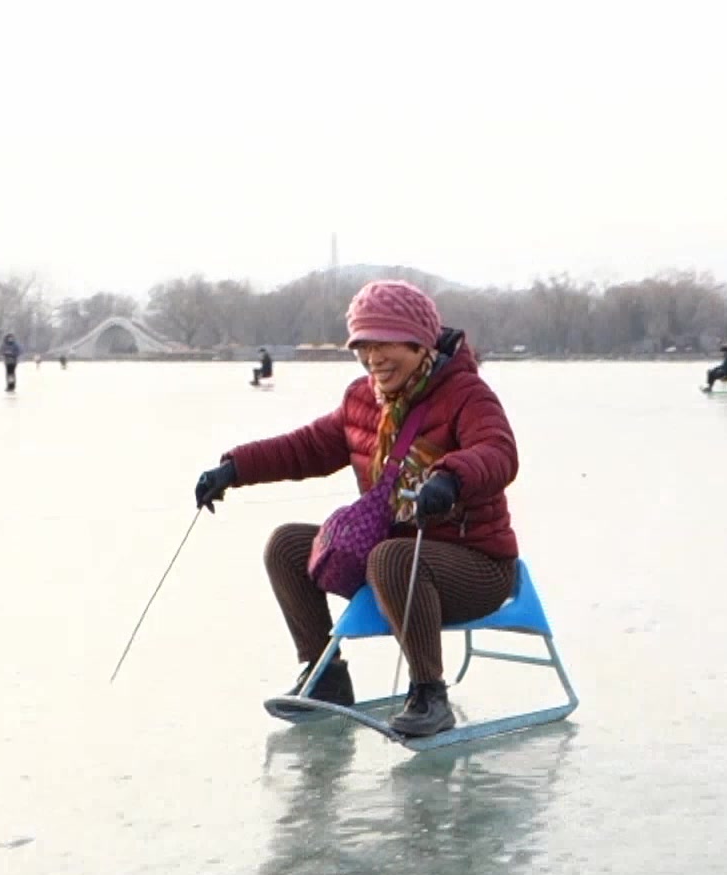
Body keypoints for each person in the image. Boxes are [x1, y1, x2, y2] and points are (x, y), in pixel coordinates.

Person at [192, 280, 521, 738]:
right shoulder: (362, 399)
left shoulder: (467, 394)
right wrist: (233, 468)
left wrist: (450, 476)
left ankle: (429, 693)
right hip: (397, 560)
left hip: (476, 567)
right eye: (362, 347)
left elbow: (499, 452)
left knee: (391, 558)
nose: (374, 359)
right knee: (288, 545)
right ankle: (325, 675)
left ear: (418, 340)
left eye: (384, 344)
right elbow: (304, 448)